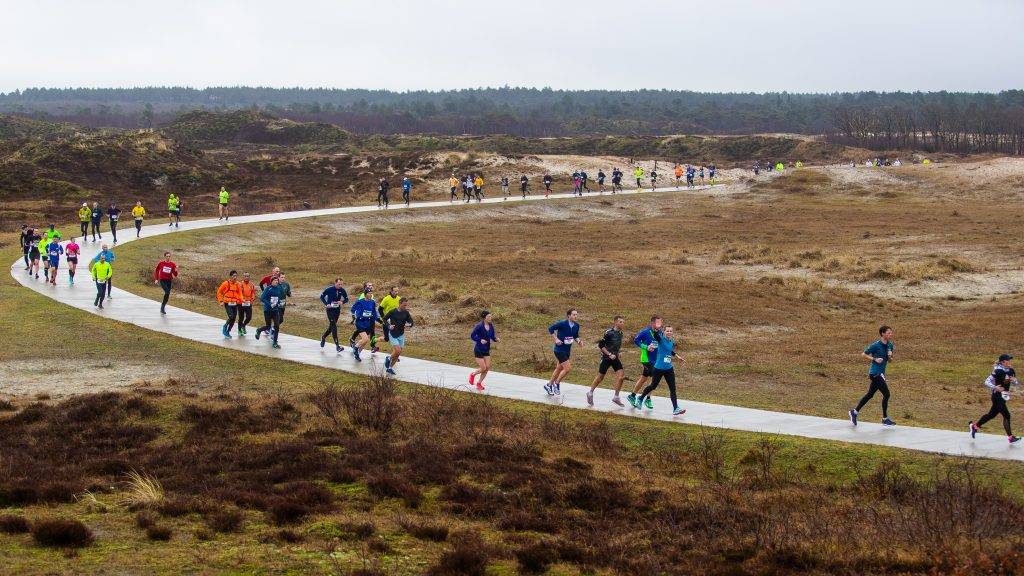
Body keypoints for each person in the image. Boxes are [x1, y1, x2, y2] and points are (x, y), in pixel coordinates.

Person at [850, 325, 896, 426]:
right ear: (882, 334)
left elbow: (891, 361)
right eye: (888, 333)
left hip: (881, 374)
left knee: (870, 394)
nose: (890, 334)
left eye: (891, 333)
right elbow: (863, 354)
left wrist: (889, 356)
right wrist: (874, 359)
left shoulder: (890, 345)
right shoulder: (876, 345)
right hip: (875, 373)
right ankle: (884, 419)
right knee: (887, 394)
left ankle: (854, 412)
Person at [635, 326, 686, 415]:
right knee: (653, 386)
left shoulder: (671, 342)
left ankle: (675, 408)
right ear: (664, 332)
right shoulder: (660, 339)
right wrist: (656, 328)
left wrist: (678, 356)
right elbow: (655, 335)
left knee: (673, 389)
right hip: (658, 368)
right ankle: (640, 398)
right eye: (667, 331)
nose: (669, 332)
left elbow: (669, 350)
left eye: (670, 331)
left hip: (669, 368)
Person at [970, 354, 1020, 443]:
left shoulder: (1011, 370)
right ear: (1003, 362)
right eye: (1008, 360)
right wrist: (995, 387)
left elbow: (1016, 383)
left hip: (1004, 396)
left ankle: (975, 426)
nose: (1010, 361)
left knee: (991, 415)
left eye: (1010, 360)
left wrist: (1014, 380)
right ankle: (1010, 437)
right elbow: (986, 381)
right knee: (1007, 415)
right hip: (997, 396)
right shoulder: (997, 371)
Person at [587, 316, 626, 407]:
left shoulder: (621, 333)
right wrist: (609, 354)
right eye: (620, 322)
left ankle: (616, 397)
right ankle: (590, 393)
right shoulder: (609, 333)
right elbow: (601, 346)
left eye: (623, 322)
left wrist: (618, 352)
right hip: (606, 358)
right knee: (600, 377)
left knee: (621, 377)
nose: (622, 323)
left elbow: (616, 345)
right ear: (615, 323)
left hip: (615, 358)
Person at [628, 316, 663, 409]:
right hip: (646, 359)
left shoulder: (660, 333)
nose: (660, 324)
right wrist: (646, 347)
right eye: (658, 322)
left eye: (661, 322)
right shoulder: (645, 332)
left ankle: (632, 396)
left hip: (655, 359)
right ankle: (647, 398)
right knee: (655, 378)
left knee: (643, 378)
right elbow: (636, 340)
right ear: (652, 323)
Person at [545, 309, 582, 395]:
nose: (576, 316)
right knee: (567, 368)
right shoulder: (562, 323)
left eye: (576, 315)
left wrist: (579, 341)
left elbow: (575, 335)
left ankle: (549, 385)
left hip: (567, 350)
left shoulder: (576, 325)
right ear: (569, 316)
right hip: (559, 350)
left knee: (559, 368)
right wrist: (556, 339)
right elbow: (550, 329)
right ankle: (556, 383)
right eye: (574, 315)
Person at [383, 297, 414, 376]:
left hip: (401, 334)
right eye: (404, 305)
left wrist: (409, 324)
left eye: (406, 305)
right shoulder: (392, 311)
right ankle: (389, 358)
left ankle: (389, 368)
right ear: (399, 304)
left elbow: (411, 321)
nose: (405, 307)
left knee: (398, 353)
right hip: (393, 334)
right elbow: (384, 319)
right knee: (397, 350)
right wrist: (389, 326)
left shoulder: (406, 312)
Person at [469, 311, 498, 390]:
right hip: (478, 349)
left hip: (486, 349)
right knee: (483, 368)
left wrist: (495, 339)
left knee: (487, 367)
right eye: (488, 316)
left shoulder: (491, 325)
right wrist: (480, 340)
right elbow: (472, 336)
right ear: (484, 318)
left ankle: (479, 383)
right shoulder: (479, 326)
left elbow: (492, 336)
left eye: (490, 316)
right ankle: (473, 374)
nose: (490, 318)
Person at [349, 288, 380, 361]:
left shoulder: (372, 302)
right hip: (360, 322)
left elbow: (374, 312)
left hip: (367, 323)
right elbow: (353, 309)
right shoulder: (360, 301)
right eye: (369, 293)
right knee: (365, 339)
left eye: (371, 293)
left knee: (365, 341)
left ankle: (357, 354)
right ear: (365, 294)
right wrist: (355, 315)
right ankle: (356, 348)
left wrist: (378, 319)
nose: (370, 294)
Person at [255, 276, 286, 349]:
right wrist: (270, 304)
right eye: (275, 280)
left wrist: (278, 303)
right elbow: (262, 298)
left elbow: (278, 297)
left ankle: (275, 343)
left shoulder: (278, 288)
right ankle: (259, 330)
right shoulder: (268, 288)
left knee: (277, 326)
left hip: (275, 310)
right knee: (268, 326)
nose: (276, 281)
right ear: (271, 281)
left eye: (277, 280)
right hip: (267, 310)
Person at [319, 278, 349, 352]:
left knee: (332, 326)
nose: (340, 285)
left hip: (337, 310)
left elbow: (346, 299)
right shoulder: (329, 289)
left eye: (341, 284)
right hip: (330, 310)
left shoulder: (342, 290)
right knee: (334, 326)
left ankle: (323, 337)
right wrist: (327, 304)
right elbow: (321, 297)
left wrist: (342, 302)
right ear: (335, 283)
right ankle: (337, 346)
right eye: (339, 284)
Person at [216, 270, 243, 338]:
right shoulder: (226, 283)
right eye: (234, 276)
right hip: (227, 303)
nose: (235, 277)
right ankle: (225, 326)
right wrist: (221, 301)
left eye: (236, 276)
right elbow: (219, 292)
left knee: (233, 319)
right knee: (231, 316)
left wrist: (242, 300)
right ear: (230, 276)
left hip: (235, 303)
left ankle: (228, 332)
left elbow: (240, 294)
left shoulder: (238, 284)